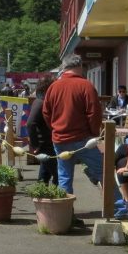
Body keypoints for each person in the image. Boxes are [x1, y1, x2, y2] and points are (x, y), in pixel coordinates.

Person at [41, 53, 103, 197]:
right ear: (80, 66)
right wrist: (94, 134)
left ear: (64, 67)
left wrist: (55, 128)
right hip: (83, 139)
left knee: (64, 178)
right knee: (103, 173)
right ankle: (119, 208)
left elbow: (46, 112)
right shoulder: (86, 85)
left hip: (60, 139)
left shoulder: (53, 87)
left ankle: (65, 213)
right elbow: (94, 113)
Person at [26, 77, 57, 185]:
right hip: (45, 144)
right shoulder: (39, 102)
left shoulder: (43, 101)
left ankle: (42, 197)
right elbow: (30, 124)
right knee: (58, 175)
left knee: (44, 176)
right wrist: (35, 145)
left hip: (48, 143)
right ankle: (57, 200)